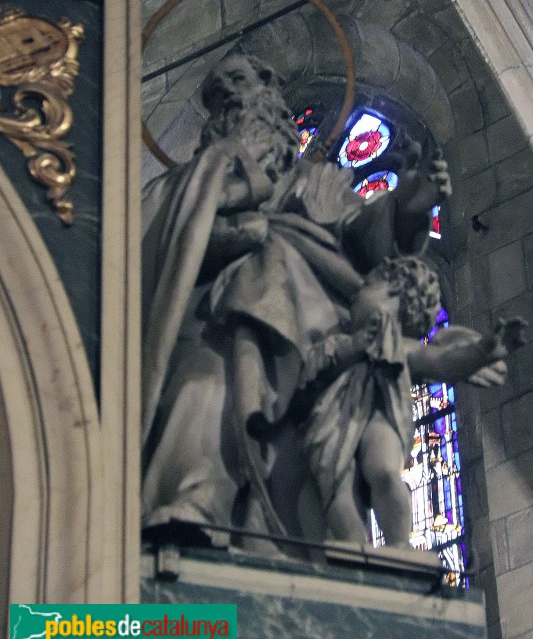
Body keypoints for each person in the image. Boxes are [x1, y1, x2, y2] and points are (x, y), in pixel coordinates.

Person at [141, 51, 453, 547]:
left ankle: (299, 539)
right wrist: (233, 220)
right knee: (197, 390)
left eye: (240, 82)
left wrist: (409, 206)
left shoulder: (317, 181)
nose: (233, 99)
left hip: (315, 340)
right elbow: (161, 242)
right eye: (221, 94)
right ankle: (199, 503)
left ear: (269, 89)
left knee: (329, 458)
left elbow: (368, 239)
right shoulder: (190, 181)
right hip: (214, 326)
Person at [298, 256, 527, 547]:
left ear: (398, 298)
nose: (355, 294)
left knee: (382, 471)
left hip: (384, 412)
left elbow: (443, 361)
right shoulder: (342, 341)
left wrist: (483, 352)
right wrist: (353, 347)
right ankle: (352, 547)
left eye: (367, 285)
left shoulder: (404, 347)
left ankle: (399, 544)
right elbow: (315, 371)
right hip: (336, 416)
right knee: (335, 487)